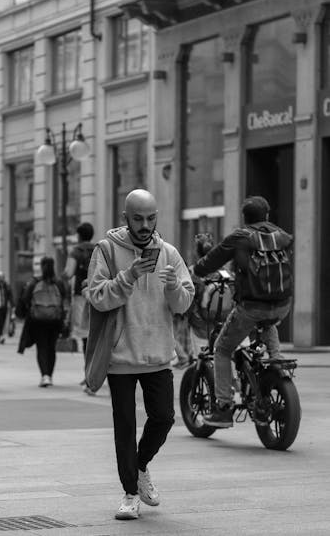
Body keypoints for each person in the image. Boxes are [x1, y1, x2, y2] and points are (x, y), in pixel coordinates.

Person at [88, 189, 194, 520]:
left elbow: (184, 303)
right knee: (124, 427)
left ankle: (141, 465)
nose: (145, 225)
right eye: (138, 218)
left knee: (163, 418)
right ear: (125, 219)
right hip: (121, 355)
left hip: (158, 355)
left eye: (151, 218)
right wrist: (130, 275)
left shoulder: (170, 253)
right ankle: (130, 493)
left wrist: (174, 287)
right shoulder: (106, 250)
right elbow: (97, 296)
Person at [193, 196, 293, 428]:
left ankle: (224, 408)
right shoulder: (283, 236)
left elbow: (210, 261)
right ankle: (276, 360)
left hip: (251, 307)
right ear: (267, 216)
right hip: (283, 305)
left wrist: (197, 270)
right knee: (268, 321)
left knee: (222, 348)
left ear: (244, 217)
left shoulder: (240, 237)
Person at [21, 256, 66, 387]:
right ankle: (50, 376)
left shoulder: (35, 282)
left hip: (38, 320)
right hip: (55, 320)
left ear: (41, 266)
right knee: (51, 348)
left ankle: (44, 375)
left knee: (41, 347)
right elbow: (64, 298)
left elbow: (25, 298)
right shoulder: (58, 283)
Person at [62, 222, 95, 392]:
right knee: (96, 337)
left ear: (79, 235)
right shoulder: (98, 248)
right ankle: (91, 374)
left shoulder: (76, 251)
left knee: (85, 338)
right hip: (99, 295)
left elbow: (68, 273)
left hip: (82, 296)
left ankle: (89, 374)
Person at [0, 271, 14, 344]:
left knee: (3, 322)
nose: (1, 278)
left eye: (2, 277)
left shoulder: (6, 286)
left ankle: (1, 335)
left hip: (4, 307)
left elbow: (10, 296)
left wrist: (12, 305)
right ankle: (0, 336)